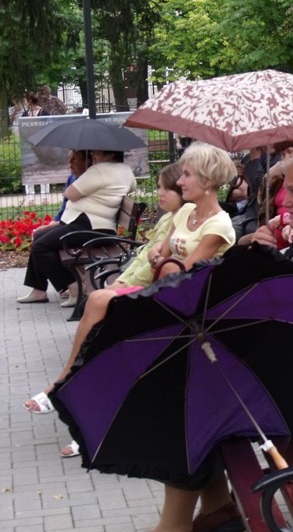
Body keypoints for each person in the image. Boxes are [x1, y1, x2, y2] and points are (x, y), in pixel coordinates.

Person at [114, 148, 293, 532]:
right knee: (188, 375)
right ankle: (217, 507)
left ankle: (174, 531)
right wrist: (256, 250)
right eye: (286, 191)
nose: (285, 200)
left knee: (187, 399)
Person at [22, 145, 234, 418]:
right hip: (160, 290)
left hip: (185, 306)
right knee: (97, 300)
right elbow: (159, 253)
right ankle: (67, 381)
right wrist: (161, 259)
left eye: (187, 175)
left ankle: (76, 393)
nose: (180, 181)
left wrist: (162, 259)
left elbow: (184, 274)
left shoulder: (218, 225)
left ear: (206, 181)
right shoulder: (185, 213)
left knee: (106, 313)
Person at [17, 149, 137, 306]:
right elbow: (132, 187)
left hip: (89, 226)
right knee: (39, 237)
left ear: (111, 154)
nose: (93, 155)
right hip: (97, 226)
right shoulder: (125, 170)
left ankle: (75, 287)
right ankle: (38, 291)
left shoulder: (99, 170)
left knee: (41, 247)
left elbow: (70, 194)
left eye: (97, 152)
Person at [30, 150, 89, 240]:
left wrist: (50, 227)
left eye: (75, 159)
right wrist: (51, 224)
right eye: (69, 158)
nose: (70, 162)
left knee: (40, 241)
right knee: (38, 234)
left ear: (86, 161)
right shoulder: (71, 178)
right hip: (67, 223)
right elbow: (63, 208)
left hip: (78, 226)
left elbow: (75, 215)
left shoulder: (88, 181)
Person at [21, 91, 51, 204]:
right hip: (29, 146)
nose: (24, 102)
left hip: (42, 145)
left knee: (43, 169)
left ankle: (44, 197)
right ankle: (31, 198)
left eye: (25, 99)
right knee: (28, 169)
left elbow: (48, 127)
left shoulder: (44, 113)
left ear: (29, 100)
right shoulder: (25, 115)